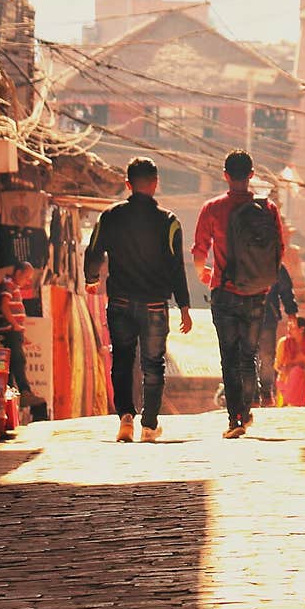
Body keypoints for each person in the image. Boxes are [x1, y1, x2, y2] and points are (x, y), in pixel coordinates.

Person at [85, 156, 192, 443]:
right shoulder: (169, 222)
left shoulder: (110, 216)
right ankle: (149, 424)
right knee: (153, 364)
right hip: (156, 305)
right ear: (156, 184)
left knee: (121, 360)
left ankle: (125, 418)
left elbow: (93, 250)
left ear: (127, 184)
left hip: (119, 302)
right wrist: (184, 306)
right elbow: (176, 266)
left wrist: (91, 278)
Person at [192, 149, 285, 439]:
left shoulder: (213, 208)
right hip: (257, 293)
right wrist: (263, 281)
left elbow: (199, 251)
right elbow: (278, 250)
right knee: (248, 355)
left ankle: (236, 418)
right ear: (252, 175)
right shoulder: (267, 209)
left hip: (224, 291)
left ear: (226, 176)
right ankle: (245, 409)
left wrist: (203, 273)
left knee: (228, 357)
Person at [0, 261, 46, 410]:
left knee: (12, 364)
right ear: (18, 273)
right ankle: (24, 392)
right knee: (18, 361)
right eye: (26, 277)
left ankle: (12, 396)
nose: (28, 281)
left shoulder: (13, 286)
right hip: (9, 331)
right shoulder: (8, 284)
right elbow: (4, 306)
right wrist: (15, 325)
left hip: (14, 332)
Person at [257, 263, 298, 406]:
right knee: (248, 355)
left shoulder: (275, 264)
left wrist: (291, 312)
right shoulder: (243, 258)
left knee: (267, 357)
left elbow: (286, 290)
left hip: (268, 316)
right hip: (246, 315)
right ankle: (253, 393)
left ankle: (266, 391)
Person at [274, 315, 305, 407]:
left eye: (292, 328)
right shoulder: (283, 343)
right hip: (286, 380)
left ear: (301, 329)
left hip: (304, 380)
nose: (289, 330)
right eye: (288, 327)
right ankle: (289, 400)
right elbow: (277, 365)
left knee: (297, 371)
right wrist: (285, 370)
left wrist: (303, 369)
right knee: (295, 372)